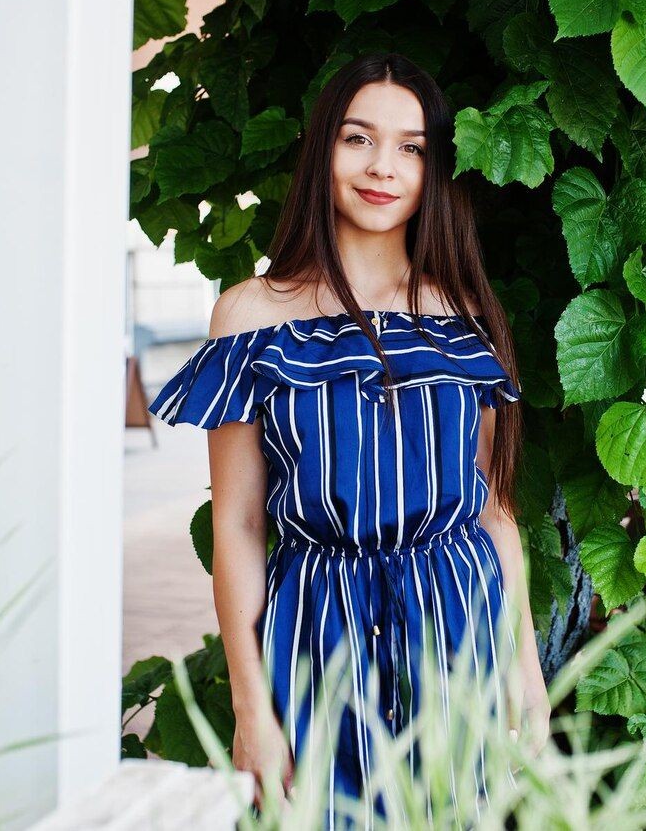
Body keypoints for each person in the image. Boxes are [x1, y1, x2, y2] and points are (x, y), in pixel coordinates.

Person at [147, 53, 548, 821]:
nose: (382, 167)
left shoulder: (464, 316)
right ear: (322, 150)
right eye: (358, 138)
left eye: (411, 147)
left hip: (459, 623)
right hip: (317, 635)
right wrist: (250, 707)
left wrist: (526, 674)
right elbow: (237, 523)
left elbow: (496, 513)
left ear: (434, 171)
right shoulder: (251, 316)